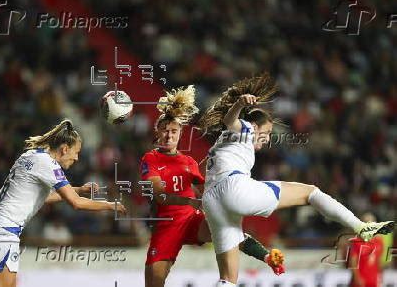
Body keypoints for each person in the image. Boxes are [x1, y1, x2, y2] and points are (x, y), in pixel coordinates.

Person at [198, 73, 395, 287]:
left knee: (228, 279)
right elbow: (230, 120)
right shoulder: (246, 129)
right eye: (267, 132)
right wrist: (238, 103)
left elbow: (241, 239)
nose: (267, 139)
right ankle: (360, 227)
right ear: (255, 127)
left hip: (211, 201)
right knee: (310, 192)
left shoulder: (221, 145)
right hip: (233, 187)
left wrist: (265, 257)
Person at [141, 86, 285, 287]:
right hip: (166, 227)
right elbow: (158, 194)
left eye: (174, 131)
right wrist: (191, 200)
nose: (169, 135)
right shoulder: (151, 158)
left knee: (228, 229)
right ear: (157, 132)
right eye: (164, 131)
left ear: (181, 133)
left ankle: (266, 256)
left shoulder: (189, 162)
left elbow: (208, 187)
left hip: (191, 221)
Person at [0, 119, 126, 287]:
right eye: (76, 152)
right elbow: (76, 204)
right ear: (64, 149)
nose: (76, 158)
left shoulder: (31, 155)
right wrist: (109, 205)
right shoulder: (49, 165)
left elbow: (43, 197)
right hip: (1, 231)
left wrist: (79, 190)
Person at [348, 213, 385, 287]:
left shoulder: (379, 241)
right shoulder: (357, 242)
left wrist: (381, 275)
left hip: (374, 280)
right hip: (360, 281)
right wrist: (357, 278)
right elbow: (353, 262)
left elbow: (378, 260)